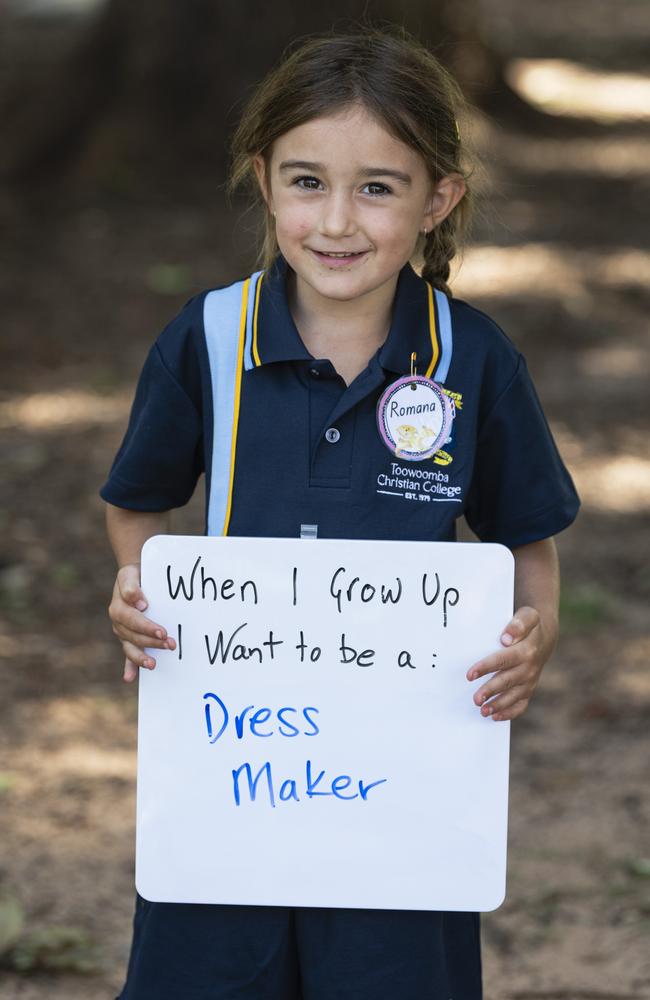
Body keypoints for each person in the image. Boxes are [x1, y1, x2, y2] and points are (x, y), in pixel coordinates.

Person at [101, 26, 579, 1000]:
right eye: (307, 181)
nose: (336, 220)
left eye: (377, 186)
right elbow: (135, 507)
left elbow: (526, 541)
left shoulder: (472, 359)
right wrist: (136, 589)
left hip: (402, 805)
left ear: (436, 197)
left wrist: (534, 636)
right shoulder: (205, 339)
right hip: (228, 786)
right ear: (263, 180)